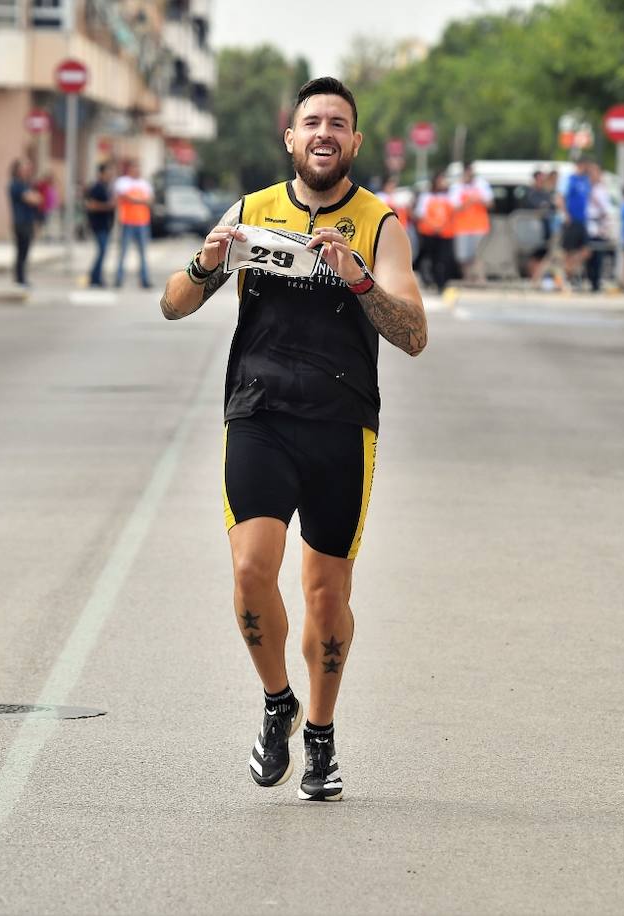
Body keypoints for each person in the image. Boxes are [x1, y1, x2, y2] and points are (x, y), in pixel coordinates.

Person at [157, 76, 427, 803]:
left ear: (354, 141)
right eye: (313, 122)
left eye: (338, 123)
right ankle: (279, 701)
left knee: (325, 594)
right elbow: (174, 305)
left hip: (342, 425)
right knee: (251, 569)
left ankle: (321, 734)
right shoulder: (252, 212)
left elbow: (414, 335)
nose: (324, 133)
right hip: (259, 413)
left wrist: (359, 280)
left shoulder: (379, 223)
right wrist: (207, 263)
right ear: (291, 137)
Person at [450, 162, 493, 283]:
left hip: (480, 226)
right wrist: (469, 201)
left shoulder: (482, 184)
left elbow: (490, 203)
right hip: (462, 228)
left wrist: (480, 200)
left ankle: (480, 278)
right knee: (463, 257)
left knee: (480, 254)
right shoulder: (456, 187)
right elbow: (454, 208)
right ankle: (467, 278)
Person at [113, 160, 153, 289]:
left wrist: (135, 200)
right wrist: (140, 200)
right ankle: (118, 279)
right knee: (123, 252)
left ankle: (144, 279)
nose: (137, 170)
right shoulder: (123, 182)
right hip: (127, 222)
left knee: (143, 253)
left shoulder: (144, 183)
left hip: (142, 222)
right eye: (134, 168)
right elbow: (123, 197)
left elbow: (150, 200)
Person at [413, 172, 455, 292]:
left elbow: (454, 212)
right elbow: (420, 214)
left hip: (446, 233)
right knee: (431, 258)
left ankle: (442, 283)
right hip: (429, 233)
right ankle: (433, 281)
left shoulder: (449, 196)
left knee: (444, 259)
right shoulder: (427, 196)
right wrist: (434, 226)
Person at [7, 159, 42, 287]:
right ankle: (20, 278)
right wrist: (34, 197)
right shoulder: (16, 185)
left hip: (28, 221)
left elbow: (38, 199)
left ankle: (21, 277)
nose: (27, 171)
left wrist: (35, 197)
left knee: (25, 251)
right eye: (23, 169)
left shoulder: (26, 184)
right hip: (20, 222)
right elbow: (32, 199)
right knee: (21, 251)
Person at [560, 159, 593, 287]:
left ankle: (569, 270)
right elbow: (560, 197)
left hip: (582, 220)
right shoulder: (569, 180)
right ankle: (568, 277)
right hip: (572, 220)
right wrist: (566, 214)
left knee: (586, 251)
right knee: (568, 251)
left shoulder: (585, 180)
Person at [84, 162, 116, 288]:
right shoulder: (96, 188)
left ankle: (97, 277)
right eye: (108, 173)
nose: (110, 175)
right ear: (101, 174)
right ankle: (94, 277)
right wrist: (108, 206)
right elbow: (91, 205)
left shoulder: (107, 187)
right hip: (98, 225)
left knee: (103, 251)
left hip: (106, 225)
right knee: (102, 250)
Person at [585, 162, 614, 293]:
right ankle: (590, 280)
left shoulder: (602, 189)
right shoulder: (585, 187)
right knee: (588, 254)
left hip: (599, 224)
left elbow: (606, 208)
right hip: (587, 224)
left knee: (599, 254)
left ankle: (596, 282)